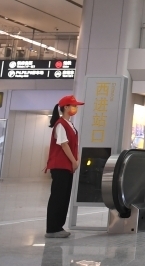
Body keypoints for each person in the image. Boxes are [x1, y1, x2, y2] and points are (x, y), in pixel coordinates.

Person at [45, 94, 84, 238]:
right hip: (60, 166)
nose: (75, 108)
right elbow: (63, 144)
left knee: (64, 196)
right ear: (66, 107)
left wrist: (76, 160)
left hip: (67, 166)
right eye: (73, 106)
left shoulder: (69, 124)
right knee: (58, 197)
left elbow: (73, 145)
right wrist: (74, 161)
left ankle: (58, 226)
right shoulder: (60, 124)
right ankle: (52, 228)